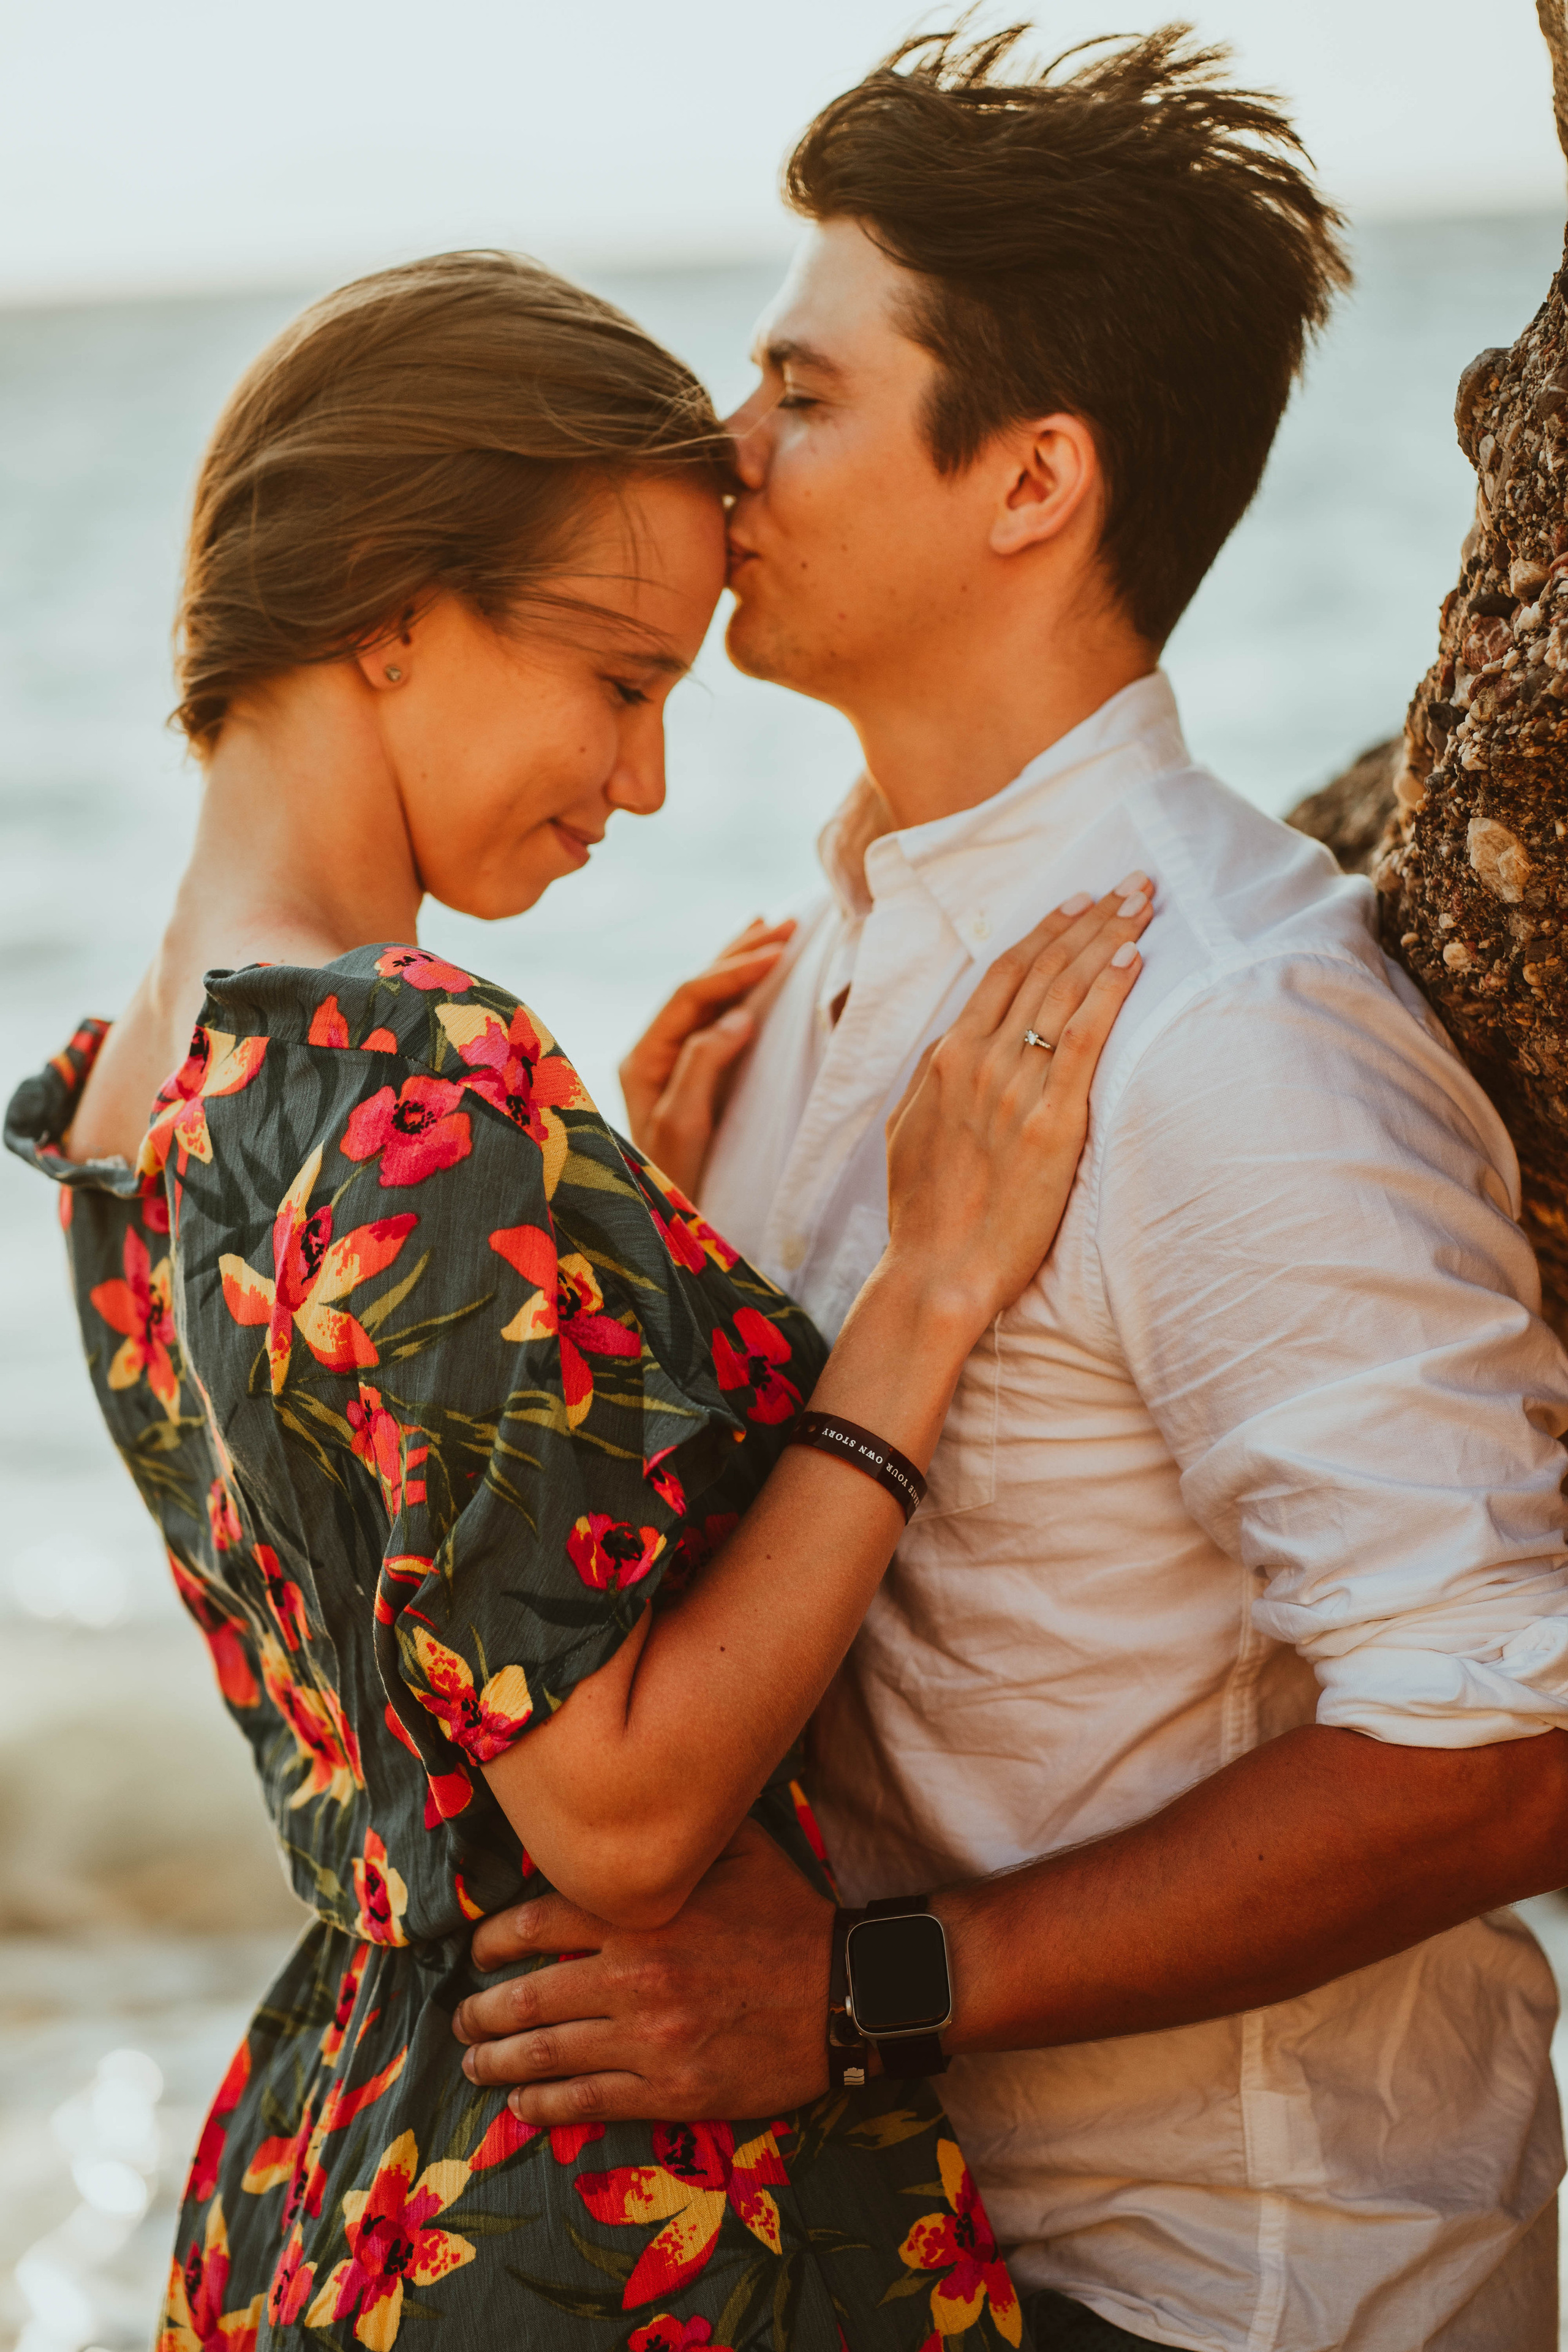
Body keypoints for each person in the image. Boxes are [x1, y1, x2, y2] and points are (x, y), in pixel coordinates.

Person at [450, 29, 1568, 2352]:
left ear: (1031, 479)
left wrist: (861, 1993)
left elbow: (1501, 1750)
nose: (720, 454)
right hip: (904, 2246)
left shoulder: (1228, 1036)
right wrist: (657, 1252)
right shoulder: (842, 944)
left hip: (1221, 2288)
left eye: (804, 390)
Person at [2, 250, 1152, 2349]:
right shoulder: (423, 1074)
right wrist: (932, 1287)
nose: (639, 784)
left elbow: (374, 1560)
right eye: (620, 680)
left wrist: (622, 1230)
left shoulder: (127, 1093)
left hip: (322, 2174)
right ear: (386, 611)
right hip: (607, 2206)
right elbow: (616, 1817)